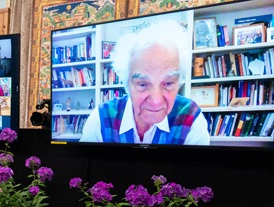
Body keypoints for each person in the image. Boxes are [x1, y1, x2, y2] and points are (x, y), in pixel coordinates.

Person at [80, 20, 209, 145]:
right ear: (127, 84)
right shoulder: (102, 118)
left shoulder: (191, 119)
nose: (156, 101)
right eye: (143, 85)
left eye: (168, 83)